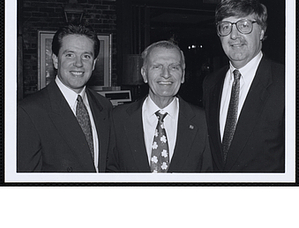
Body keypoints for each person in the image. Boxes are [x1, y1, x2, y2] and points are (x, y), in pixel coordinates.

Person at [203, 0, 285, 172]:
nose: (233, 35)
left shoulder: (286, 82)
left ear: (262, 32)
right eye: (225, 27)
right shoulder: (211, 83)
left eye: (244, 25)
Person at [17, 24, 113, 172]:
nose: (79, 63)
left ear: (93, 64)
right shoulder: (29, 112)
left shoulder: (104, 106)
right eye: (70, 55)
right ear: (55, 60)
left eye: (86, 56)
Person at [107, 40, 213, 173]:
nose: (166, 74)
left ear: (183, 75)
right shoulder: (118, 118)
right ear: (144, 74)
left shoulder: (203, 121)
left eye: (174, 67)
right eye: (157, 67)